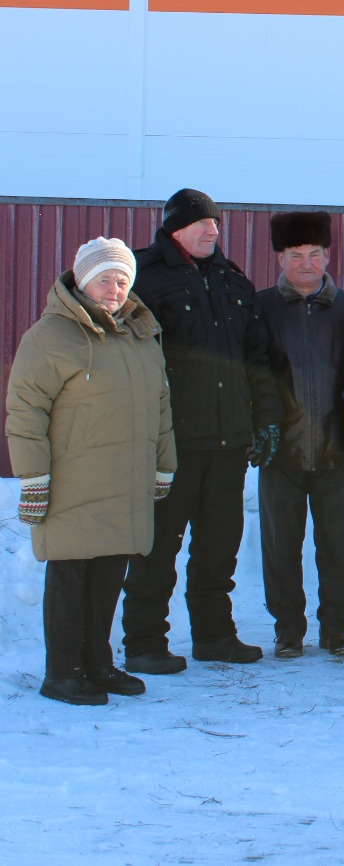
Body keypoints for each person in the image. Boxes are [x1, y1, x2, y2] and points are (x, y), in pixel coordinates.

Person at [6, 238, 177, 704]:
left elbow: (161, 407)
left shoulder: (140, 334)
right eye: (105, 279)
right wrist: (33, 478)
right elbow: (25, 411)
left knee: (107, 576)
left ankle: (98, 665)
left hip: (124, 483)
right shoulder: (51, 335)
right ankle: (62, 673)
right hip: (72, 484)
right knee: (71, 576)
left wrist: (164, 465)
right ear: (83, 281)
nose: (114, 289)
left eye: (123, 280)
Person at [122, 189, 281, 672]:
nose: (213, 230)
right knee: (157, 548)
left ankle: (215, 637)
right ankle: (145, 643)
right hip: (171, 444)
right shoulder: (144, 277)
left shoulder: (234, 282)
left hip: (229, 440)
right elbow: (128, 361)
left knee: (218, 547)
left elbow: (258, 359)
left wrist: (265, 419)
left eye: (216, 223)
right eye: (201, 223)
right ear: (175, 228)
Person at [256, 212, 344, 659]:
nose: (306, 263)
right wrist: (258, 427)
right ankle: (288, 629)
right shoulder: (259, 308)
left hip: (335, 449)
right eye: (296, 254)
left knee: (337, 547)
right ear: (280, 257)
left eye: (314, 254)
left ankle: (337, 629)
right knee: (281, 547)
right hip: (280, 450)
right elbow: (249, 373)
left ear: (327, 255)